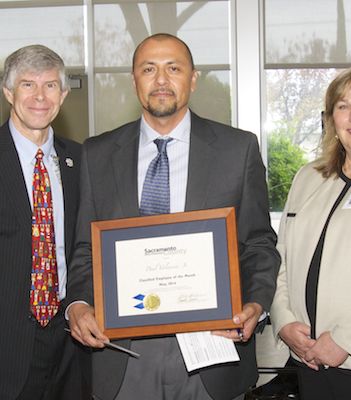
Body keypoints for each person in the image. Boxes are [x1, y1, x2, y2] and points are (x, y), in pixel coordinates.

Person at [66, 33, 280, 400]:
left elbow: (259, 244)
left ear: (193, 79)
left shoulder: (237, 149)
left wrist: (255, 305)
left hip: (212, 354)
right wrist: (79, 305)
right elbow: (86, 249)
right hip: (123, 356)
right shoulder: (96, 154)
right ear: (134, 80)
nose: (161, 80)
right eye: (149, 69)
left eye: (174, 68)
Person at [270, 65, 351, 400]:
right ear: (331, 119)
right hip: (307, 360)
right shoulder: (308, 177)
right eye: (343, 106)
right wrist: (284, 321)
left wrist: (346, 340)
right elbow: (279, 257)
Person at [0, 45, 90, 400]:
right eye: (27, 85)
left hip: (71, 341)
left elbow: (89, 246)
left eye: (50, 85)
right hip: (7, 346)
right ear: (8, 92)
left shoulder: (82, 161)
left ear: (64, 94)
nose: (40, 96)